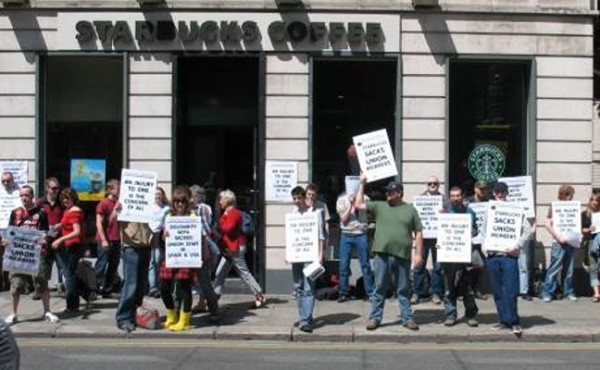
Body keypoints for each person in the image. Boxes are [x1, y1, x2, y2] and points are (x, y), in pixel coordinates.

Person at [354, 175, 424, 331]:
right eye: (387, 192)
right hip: (382, 254)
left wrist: (419, 254)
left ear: (399, 193)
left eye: (390, 192)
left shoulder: (410, 210)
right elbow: (358, 204)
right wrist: (362, 183)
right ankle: (375, 318)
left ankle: (407, 318)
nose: (387, 194)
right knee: (379, 287)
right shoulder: (380, 206)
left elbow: (418, 232)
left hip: (402, 255)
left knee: (404, 289)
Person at [160, 186, 218, 331]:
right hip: (171, 255)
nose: (179, 204)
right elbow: (163, 237)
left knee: (184, 287)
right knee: (164, 286)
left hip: (187, 257)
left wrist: (205, 252)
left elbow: (203, 236)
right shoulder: (169, 216)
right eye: (177, 201)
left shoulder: (193, 217)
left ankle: (184, 320)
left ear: (187, 203)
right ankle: (171, 316)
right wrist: (164, 235)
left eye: (182, 202)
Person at [3, 186, 60, 324]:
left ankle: (47, 311)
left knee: (41, 282)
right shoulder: (15, 212)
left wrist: (45, 238)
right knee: (15, 284)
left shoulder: (41, 213)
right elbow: (10, 232)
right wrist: (6, 240)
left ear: (32, 196)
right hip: (18, 254)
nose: (24, 198)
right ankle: (13, 313)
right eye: (21, 195)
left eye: (27, 195)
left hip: (36, 254)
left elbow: (46, 233)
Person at [484, 182, 532, 336]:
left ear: (507, 193)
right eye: (497, 192)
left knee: (511, 290)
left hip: (508, 256)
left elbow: (528, 231)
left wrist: (517, 246)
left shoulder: (516, 210)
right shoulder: (489, 210)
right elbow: (485, 231)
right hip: (493, 256)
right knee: (497, 291)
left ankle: (514, 321)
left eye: (502, 192)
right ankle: (504, 320)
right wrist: (485, 249)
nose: (500, 194)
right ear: (493, 194)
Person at [212, 189, 265, 308]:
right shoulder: (226, 213)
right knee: (219, 272)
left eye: (221, 198)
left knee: (243, 273)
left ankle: (259, 294)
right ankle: (214, 297)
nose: (219, 201)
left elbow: (228, 229)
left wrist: (218, 228)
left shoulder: (234, 213)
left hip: (235, 247)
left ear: (228, 200)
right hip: (228, 248)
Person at [440, 186, 479, 327]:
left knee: (467, 288)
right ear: (449, 197)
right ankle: (451, 315)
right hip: (449, 256)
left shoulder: (470, 212)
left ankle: (471, 315)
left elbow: (476, 230)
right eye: (452, 196)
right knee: (449, 287)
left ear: (462, 196)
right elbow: (440, 233)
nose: (455, 198)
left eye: (458, 195)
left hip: (465, 255)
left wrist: (471, 233)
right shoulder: (444, 213)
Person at [289, 186, 326, 333]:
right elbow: (291, 236)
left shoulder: (315, 213)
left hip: (310, 256)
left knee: (308, 287)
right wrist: (289, 254)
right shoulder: (293, 213)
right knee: (298, 287)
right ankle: (305, 316)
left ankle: (304, 320)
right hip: (297, 256)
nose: (297, 201)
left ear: (305, 198)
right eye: (294, 199)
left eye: (299, 198)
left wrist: (320, 255)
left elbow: (321, 236)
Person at [412, 176, 446, 305]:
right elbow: (414, 217)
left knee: (438, 267)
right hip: (423, 238)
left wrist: (444, 213)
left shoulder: (444, 200)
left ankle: (435, 293)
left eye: (435, 183)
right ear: (426, 185)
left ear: (438, 185)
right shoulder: (419, 199)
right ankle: (416, 293)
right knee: (419, 265)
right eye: (430, 183)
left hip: (438, 238)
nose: (432, 185)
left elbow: (450, 215)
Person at [51, 188, 85, 313]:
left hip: (73, 245)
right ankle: (85, 294)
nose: (65, 200)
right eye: (63, 198)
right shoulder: (68, 210)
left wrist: (59, 240)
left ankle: (72, 305)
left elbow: (77, 231)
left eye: (68, 198)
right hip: (69, 245)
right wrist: (57, 226)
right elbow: (65, 224)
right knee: (69, 273)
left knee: (69, 275)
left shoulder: (74, 211)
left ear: (73, 198)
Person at [115, 219, 153, 332]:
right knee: (131, 284)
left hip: (145, 245)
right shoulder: (124, 203)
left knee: (141, 284)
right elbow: (114, 218)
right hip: (130, 246)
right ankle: (123, 318)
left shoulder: (149, 203)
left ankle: (135, 315)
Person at [336, 191, 374, 302]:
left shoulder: (366, 198)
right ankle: (343, 292)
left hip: (360, 234)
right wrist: (351, 205)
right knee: (343, 265)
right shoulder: (341, 200)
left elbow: (370, 214)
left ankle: (369, 292)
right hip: (346, 234)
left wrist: (359, 202)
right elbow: (343, 219)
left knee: (365, 264)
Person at [542, 185, 578, 302]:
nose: (571, 197)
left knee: (569, 269)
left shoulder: (573, 207)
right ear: (564, 194)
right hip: (558, 242)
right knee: (554, 268)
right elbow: (547, 223)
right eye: (569, 194)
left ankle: (568, 292)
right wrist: (557, 236)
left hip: (570, 241)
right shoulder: (555, 206)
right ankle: (547, 292)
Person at [34, 177, 64, 300]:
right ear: (47, 188)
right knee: (42, 266)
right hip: (44, 240)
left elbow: (67, 218)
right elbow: (33, 219)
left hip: (59, 239)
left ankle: (61, 287)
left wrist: (61, 224)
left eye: (57, 188)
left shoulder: (62, 203)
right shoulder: (40, 203)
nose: (56, 191)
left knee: (61, 265)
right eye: (53, 188)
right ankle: (39, 290)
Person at [94, 179, 121, 298]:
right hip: (105, 238)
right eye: (117, 188)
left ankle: (107, 289)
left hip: (116, 238)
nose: (119, 190)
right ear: (110, 189)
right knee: (101, 264)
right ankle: (95, 287)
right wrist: (104, 239)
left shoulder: (121, 203)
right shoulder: (104, 203)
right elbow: (99, 223)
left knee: (113, 265)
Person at [466, 181, 489, 300]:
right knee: (468, 265)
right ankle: (466, 289)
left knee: (481, 265)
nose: (482, 191)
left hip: (483, 238)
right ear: (475, 189)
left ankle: (477, 289)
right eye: (480, 189)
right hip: (469, 237)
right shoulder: (468, 202)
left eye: (484, 189)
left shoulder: (489, 203)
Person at [0, 172, 20, 292]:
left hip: (11, 229)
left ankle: (10, 283)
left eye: (8, 181)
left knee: (10, 257)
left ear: (13, 180)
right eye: (3, 181)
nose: (6, 183)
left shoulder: (18, 192)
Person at [147, 187, 169, 298]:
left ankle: (160, 286)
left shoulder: (166, 208)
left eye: (159, 194)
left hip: (161, 236)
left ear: (163, 195)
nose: (157, 196)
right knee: (152, 262)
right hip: (150, 235)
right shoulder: (148, 207)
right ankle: (152, 287)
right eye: (155, 194)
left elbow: (168, 222)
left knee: (159, 261)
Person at [583, 192, 600, 302]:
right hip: (591, 240)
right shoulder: (585, 214)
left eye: (596, 200)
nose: (594, 202)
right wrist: (588, 229)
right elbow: (580, 229)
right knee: (593, 268)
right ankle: (596, 293)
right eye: (592, 200)